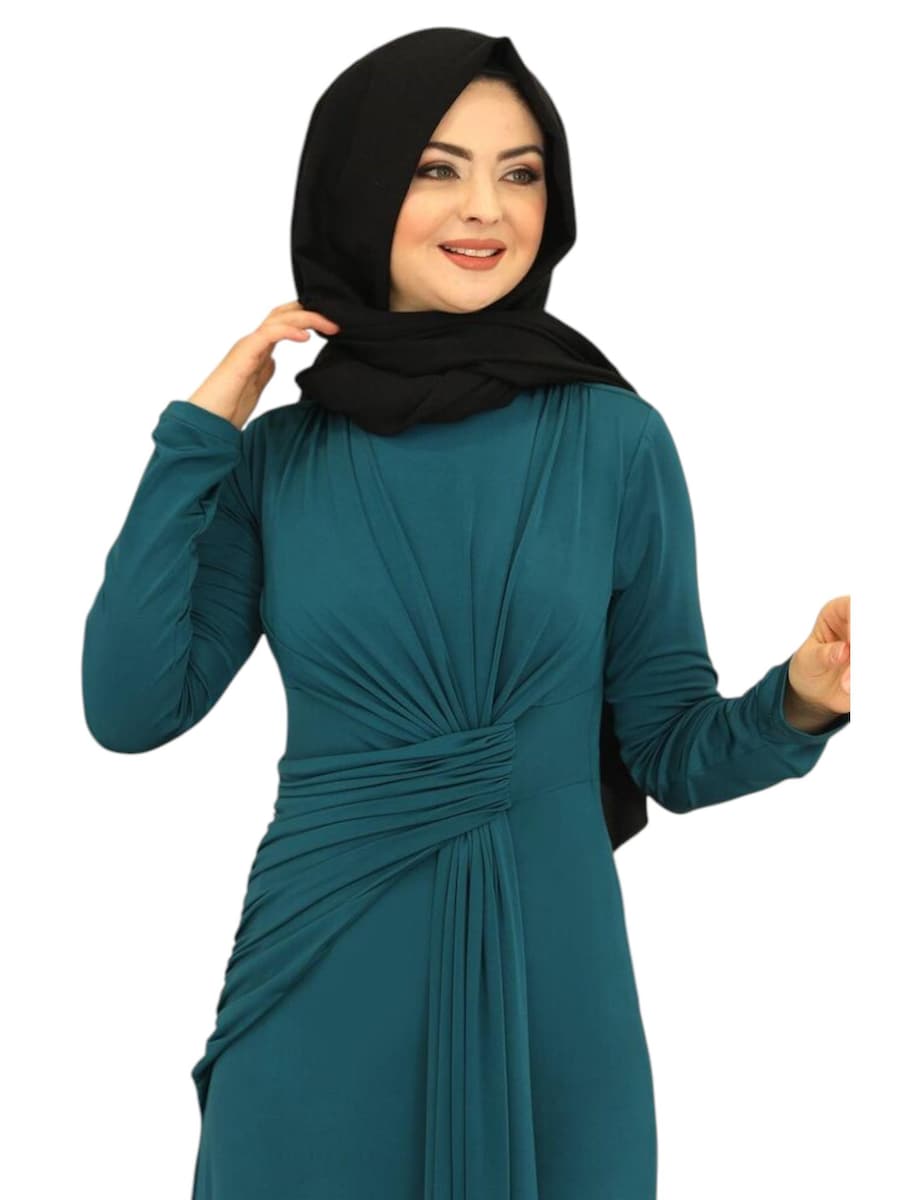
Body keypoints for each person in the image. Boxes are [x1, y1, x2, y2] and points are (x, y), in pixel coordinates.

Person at [81, 27, 851, 1200]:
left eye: (520, 172)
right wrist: (199, 434)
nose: (486, 207)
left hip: (557, 995)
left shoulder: (615, 438)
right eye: (437, 167)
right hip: (319, 983)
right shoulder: (276, 462)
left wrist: (801, 699)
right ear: (359, 187)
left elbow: (668, 749)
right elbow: (130, 708)